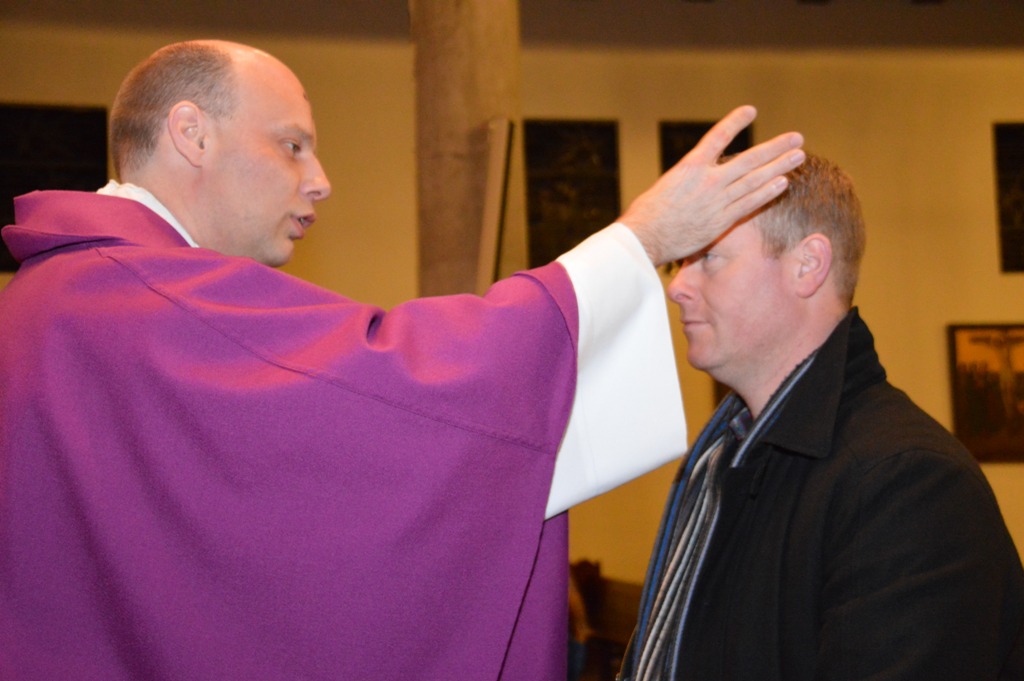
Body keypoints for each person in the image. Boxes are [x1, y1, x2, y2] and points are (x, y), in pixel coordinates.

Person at [0, 40, 805, 681]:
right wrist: (641, 239)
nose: (321, 181)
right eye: (291, 146)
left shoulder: (55, 300)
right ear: (192, 134)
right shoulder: (144, 299)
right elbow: (400, 389)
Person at [621, 154, 1024, 680]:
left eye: (709, 257)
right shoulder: (727, 455)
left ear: (808, 265)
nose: (677, 286)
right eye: (680, 262)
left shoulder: (908, 482)